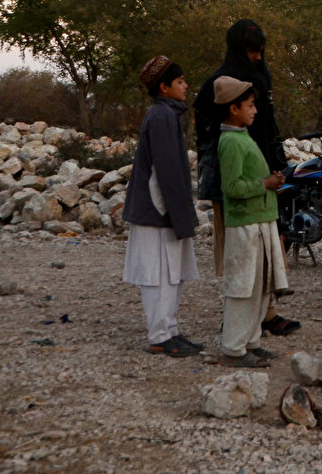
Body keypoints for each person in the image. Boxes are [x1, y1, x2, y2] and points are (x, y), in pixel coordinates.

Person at [193, 19, 300, 337]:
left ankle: (267, 314)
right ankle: (236, 319)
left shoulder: (258, 82)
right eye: (252, 51)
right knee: (239, 254)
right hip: (236, 186)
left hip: (266, 181)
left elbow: (269, 131)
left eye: (260, 52)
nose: (257, 57)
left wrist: (277, 171)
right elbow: (212, 142)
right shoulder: (219, 86)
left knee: (267, 248)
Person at [122, 56, 201, 358]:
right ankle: (159, 335)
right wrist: (176, 214)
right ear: (164, 87)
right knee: (158, 275)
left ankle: (170, 331)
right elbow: (164, 172)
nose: (185, 87)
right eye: (180, 82)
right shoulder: (161, 116)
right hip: (156, 211)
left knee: (173, 274)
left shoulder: (167, 115)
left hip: (164, 211)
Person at [215, 76, 289, 368]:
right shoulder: (230, 141)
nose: (254, 110)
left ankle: (251, 342)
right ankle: (233, 348)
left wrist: (271, 182)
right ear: (233, 109)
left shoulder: (242, 137)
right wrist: (265, 184)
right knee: (242, 288)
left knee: (260, 287)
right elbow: (231, 188)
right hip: (245, 226)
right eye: (249, 105)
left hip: (261, 222)